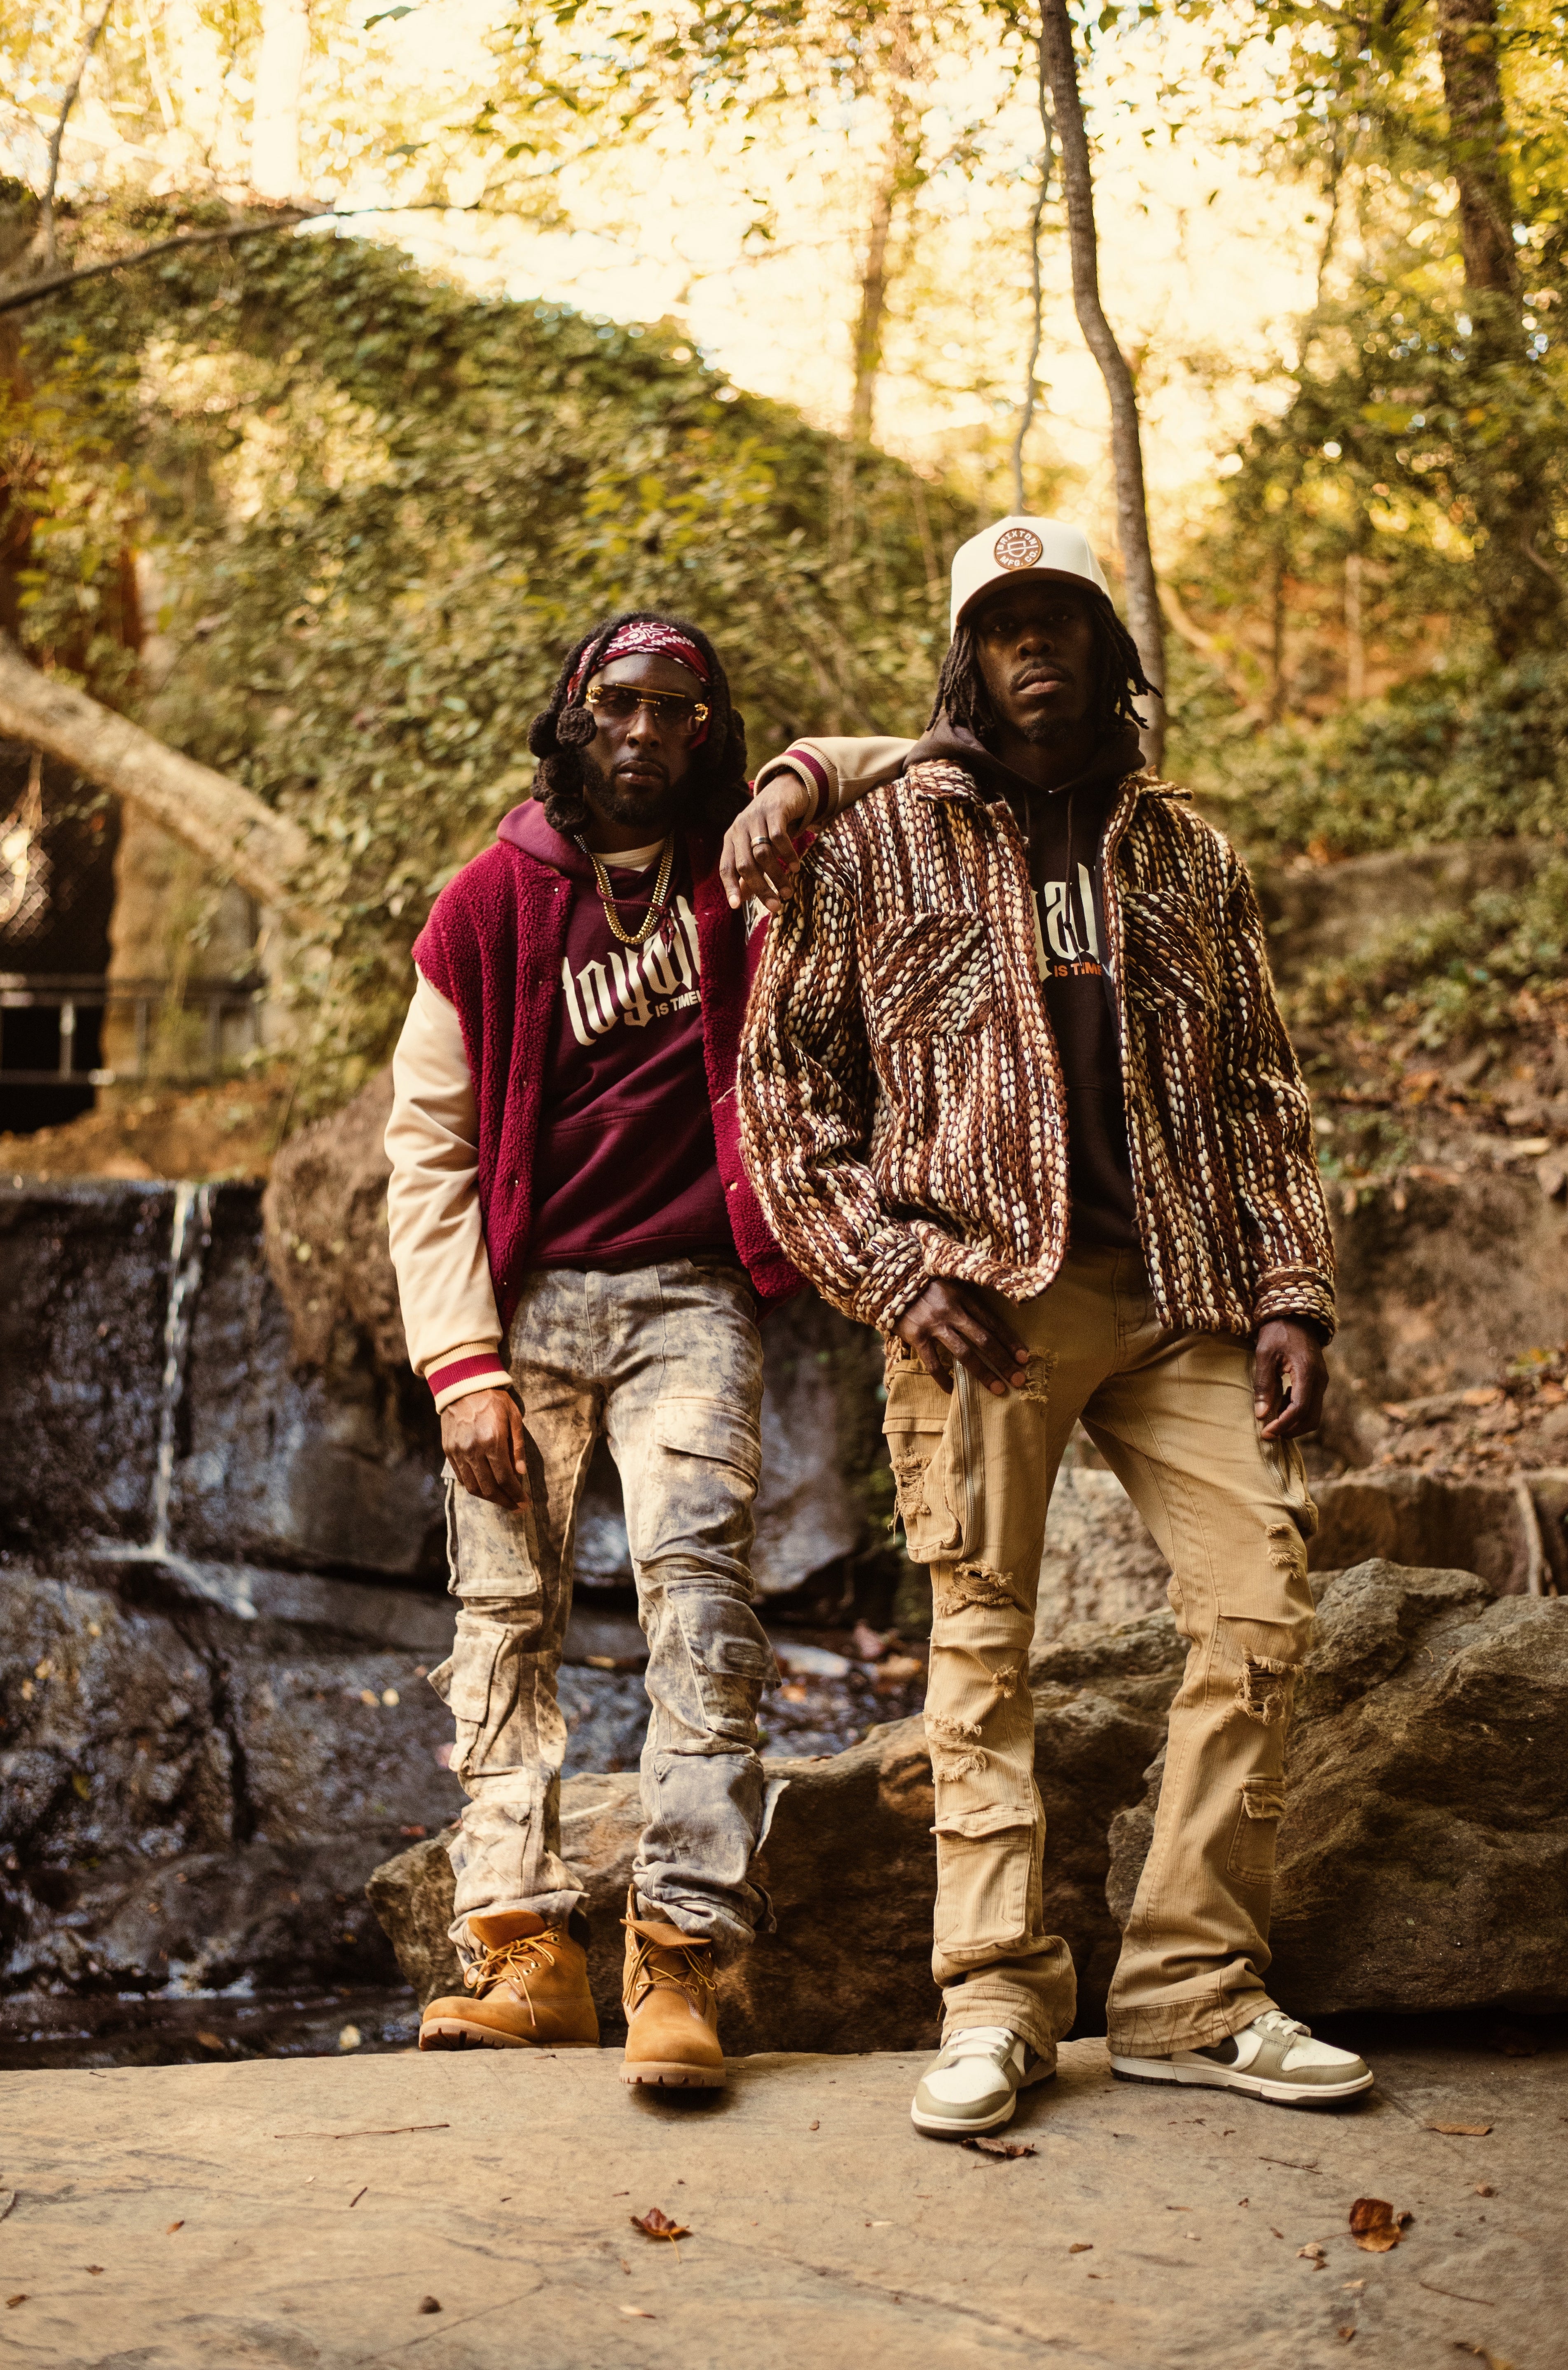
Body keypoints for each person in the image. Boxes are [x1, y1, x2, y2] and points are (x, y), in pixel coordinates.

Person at [732, 515, 1373, 2134]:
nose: (1035, 648)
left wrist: (1291, 1286)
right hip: (980, 1302)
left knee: (1262, 1614)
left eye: (1061, 620)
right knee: (984, 1651)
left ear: (1104, 646)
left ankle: (1189, 1992)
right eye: (1003, 624)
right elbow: (778, 1086)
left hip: (1177, 1292)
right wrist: (888, 1266)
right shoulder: (875, 845)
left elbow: (1256, 1087)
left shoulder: (1185, 854)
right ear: (965, 655)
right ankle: (1000, 2000)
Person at [384, 611, 800, 2089]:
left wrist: (805, 784)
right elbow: (428, 1153)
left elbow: (913, 774)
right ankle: (526, 1951)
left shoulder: (751, 885)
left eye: (676, 709)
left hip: (693, 1293)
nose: (643, 731)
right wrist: (465, 1364)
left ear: (709, 731)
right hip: (530, 1304)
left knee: (704, 1598)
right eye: (618, 703)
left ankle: (677, 1964)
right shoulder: (487, 907)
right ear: (574, 718)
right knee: (502, 1616)